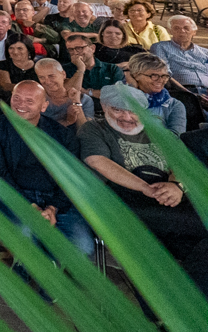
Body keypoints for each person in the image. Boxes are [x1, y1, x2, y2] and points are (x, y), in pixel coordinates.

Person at [79, 82, 208, 296]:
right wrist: (146, 188)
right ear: (104, 107)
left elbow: (181, 161)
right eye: (117, 109)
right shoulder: (95, 129)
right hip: (128, 202)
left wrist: (177, 186)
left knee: (196, 246)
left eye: (132, 110)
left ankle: (173, 303)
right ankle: (179, 302)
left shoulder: (157, 130)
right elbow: (97, 161)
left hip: (170, 199)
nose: (126, 117)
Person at [0, 80, 95, 261]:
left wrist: (52, 208)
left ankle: (51, 286)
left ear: (43, 106)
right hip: (15, 197)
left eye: (29, 101)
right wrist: (31, 207)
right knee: (26, 241)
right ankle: (28, 281)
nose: (20, 105)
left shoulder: (62, 135)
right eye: (17, 98)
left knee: (83, 247)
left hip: (55, 200)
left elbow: (70, 178)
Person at [126, 52, 186, 134]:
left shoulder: (174, 105)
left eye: (164, 76)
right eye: (154, 75)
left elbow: (176, 137)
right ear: (136, 75)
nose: (160, 80)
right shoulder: (121, 98)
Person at [151, 14, 208, 98]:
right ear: (170, 31)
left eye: (186, 28)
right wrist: (192, 95)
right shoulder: (160, 47)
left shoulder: (205, 52)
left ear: (194, 32)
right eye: (176, 28)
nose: (182, 31)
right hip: (182, 92)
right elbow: (165, 74)